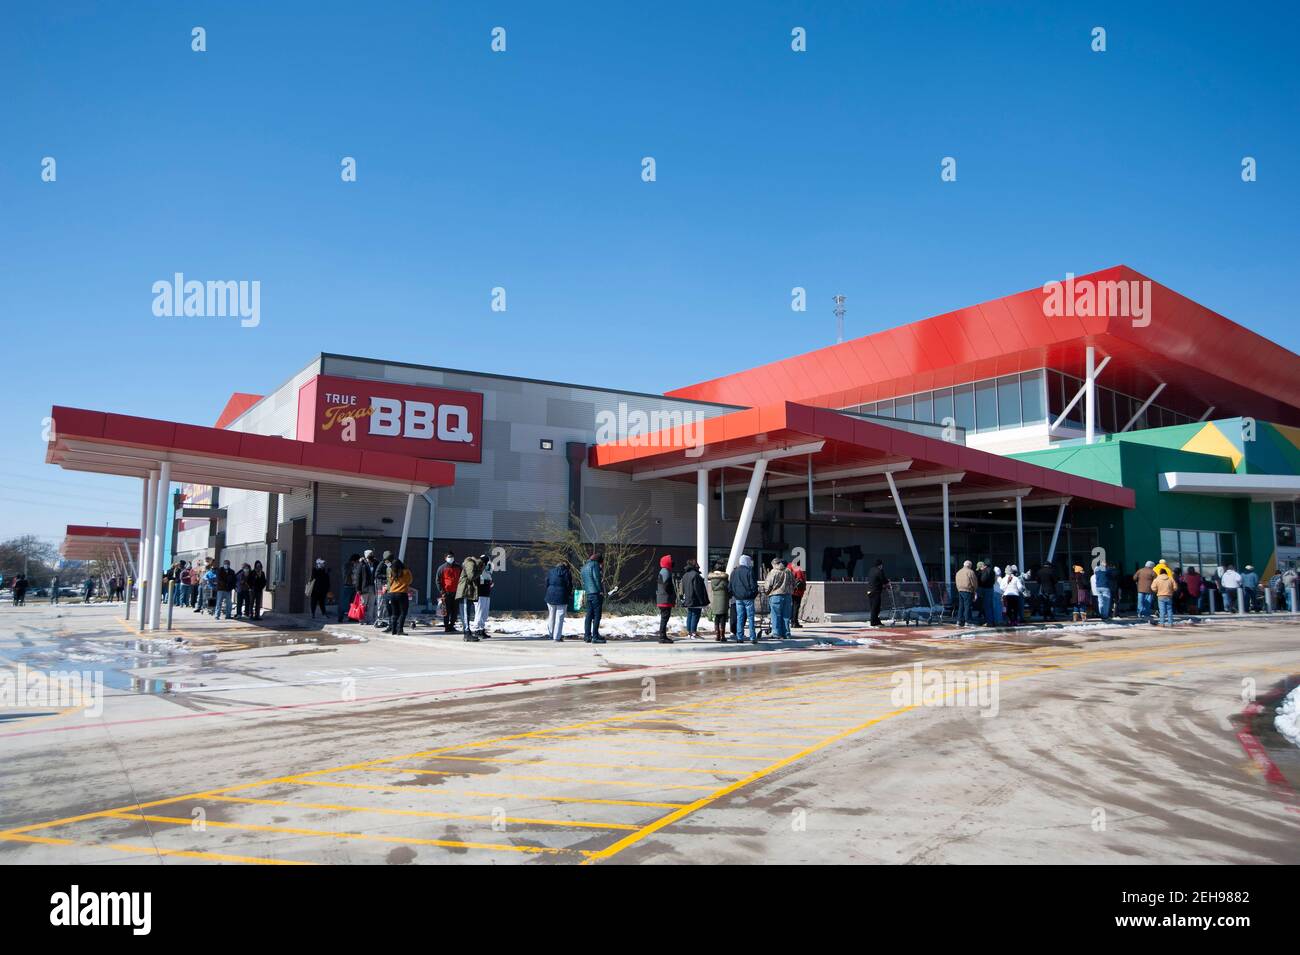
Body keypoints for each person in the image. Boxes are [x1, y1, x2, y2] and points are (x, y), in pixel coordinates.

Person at [764, 557, 795, 639]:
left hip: (775, 595)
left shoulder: (773, 572)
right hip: (787, 595)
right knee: (786, 616)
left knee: (775, 615)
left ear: (775, 564)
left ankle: (777, 633)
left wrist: (766, 592)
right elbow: (793, 583)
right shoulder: (788, 571)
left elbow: (768, 585)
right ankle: (786, 633)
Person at [729, 555, 758, 643]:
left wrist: (734, 594)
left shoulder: (734, 572)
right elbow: (753, 585)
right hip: (748, 597)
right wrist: (753, 594)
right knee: (750, 617)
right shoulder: (749, 571)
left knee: (740, 617)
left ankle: (739, 637)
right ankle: (752, 637)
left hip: (738, 598)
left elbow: (730, 586)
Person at [681, 559, 710, 639]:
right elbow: (698, 589)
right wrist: (702, 601)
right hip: (695, 599)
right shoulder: (696, 575)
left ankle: (689, 632)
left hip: (688, 598)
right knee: (695, 615)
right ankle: (693, 632)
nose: (699, 566)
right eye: (697, 564)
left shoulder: (685, 575)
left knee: (690, 614)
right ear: (694, 566)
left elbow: (682, 588)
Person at [580, 552, 605, 643]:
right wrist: (600, 591)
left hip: (589, 593)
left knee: (589, 615)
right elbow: (596, 579)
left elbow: (584, 582)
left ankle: (587, 636)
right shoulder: (595, 565)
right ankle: (595, 636)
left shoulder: (584, 567)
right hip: (596, 593)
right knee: (597, 616)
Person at [544, 561, 572, 643]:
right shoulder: (567, 573)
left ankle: (550, 635)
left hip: (550, 594)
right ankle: (557, 637)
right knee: (560, 617)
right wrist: (569, 593)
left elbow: (547, 582)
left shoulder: (551, 571)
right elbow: (569, 585)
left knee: (551, 616)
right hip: (562, 595)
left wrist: (548, 590)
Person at [455, 554, 481, 636]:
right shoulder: (470, 563)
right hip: (465, 591)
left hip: (467, 591)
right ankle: (466, 633)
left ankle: (467, 631)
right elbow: (471, 576)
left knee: (467, 613)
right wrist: (479, 571)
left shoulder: (472, 564)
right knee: (465, 613)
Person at [385, 558, 413, 635]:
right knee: (403, 612)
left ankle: (393, 630)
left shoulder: (391, 571)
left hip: (392, 594)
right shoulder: (406, 571)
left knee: (394, 613)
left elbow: (389, 582)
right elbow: (410, 581)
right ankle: (400, 630)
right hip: (402, 594)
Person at [436, 552, 461, 634]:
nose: (451, 558)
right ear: (445, 558)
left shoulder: (458, 567)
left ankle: (452, 625)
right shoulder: (441, 568)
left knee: (455, 610)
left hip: (456, 593)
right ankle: (447, 626)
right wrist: (442, 591)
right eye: (449, 557)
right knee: (446, 611)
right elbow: (438, 581)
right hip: (446, 593)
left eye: (452, 557)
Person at [654, 555, 676, 644]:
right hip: (665, 599)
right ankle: (662, 637)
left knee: (664, 618)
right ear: (667, 562)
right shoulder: (666, 572)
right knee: (664, 618)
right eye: (671, 561)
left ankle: (663, 636)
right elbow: (666, 586)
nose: (673, 562)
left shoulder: (663, 571)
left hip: (662, 598)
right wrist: (671, 594)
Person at [707, 560, 730, 642]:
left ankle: (717, 635)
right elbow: (728, 588)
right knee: (723, 617)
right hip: (723, 599)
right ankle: (722, 635)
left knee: (717, 617)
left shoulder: (713, 579)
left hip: (716, 600)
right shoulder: (725, 579)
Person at [353, 550, 377, 623]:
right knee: (363, 604)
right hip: (364, 588)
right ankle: (361, 619)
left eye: (372, 554)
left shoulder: (375, 563)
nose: (371, 556)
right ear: (366, 556)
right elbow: (358, 577)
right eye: (370, 555)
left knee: (371, 604)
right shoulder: (362, 564)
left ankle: (370, 619)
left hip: (373, 587)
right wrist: (358, 588)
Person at [473, 557, 493, 638]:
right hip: (479, 593)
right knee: (479, 612)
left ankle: (481, 629)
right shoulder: (477, 569)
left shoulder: (487, 572)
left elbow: (489, 577)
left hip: (486, 593)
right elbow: (477, 580)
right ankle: (477, 630)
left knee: (484, 613)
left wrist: (489, 582)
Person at [954, 560, 977, 626]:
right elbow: (974, 582)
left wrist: (958, 589)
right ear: (969, 565)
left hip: (960, 590)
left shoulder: (958, 572)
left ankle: (959, 620)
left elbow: (956, 581)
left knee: (961, 606)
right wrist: (975, 589)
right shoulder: (970, 572)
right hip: (968, 590)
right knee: (967, 606)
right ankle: (967, 621)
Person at [337, 554, 359, 623]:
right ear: (354, 560)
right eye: (357, 561)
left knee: (352, 603)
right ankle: (340, 617)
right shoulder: (346, 565)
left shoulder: (356, 565)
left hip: (354, 586)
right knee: (344, 603)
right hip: (347, 586)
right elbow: (345, 575)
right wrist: (353, 568)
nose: (358, 562)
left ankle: (352, 617)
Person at [866, 559, 888, 627]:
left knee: (873, 607)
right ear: (880, 565)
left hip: (869, 591)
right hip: (876, 592)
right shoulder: (879, 571)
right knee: (876, 608)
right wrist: (887, 583)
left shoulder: (871, 570)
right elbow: (883, 580)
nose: (882, 566)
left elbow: (875, 580)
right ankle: (873, 622)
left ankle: (877, 621)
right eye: (882, 565)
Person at [790, 563, 807, 628]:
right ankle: (794, 622)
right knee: (796, 607)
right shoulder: (799, 570)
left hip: (793, 591)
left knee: (793, 606)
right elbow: (800, 580)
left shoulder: (791, 569)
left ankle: (793, 621)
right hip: (797, 592)